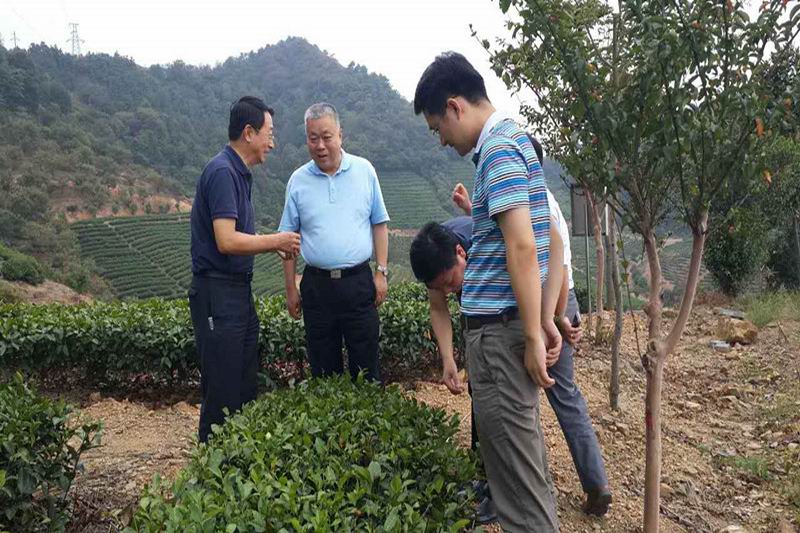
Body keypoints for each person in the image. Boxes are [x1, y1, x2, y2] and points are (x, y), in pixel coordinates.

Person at [414, 51, 559, 531]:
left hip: (499, 335)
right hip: (507, 328)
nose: (441, 139)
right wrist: (540, 321)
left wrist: (535, 333)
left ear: (454, 107)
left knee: (516, 486)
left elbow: (523, 246)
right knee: (525, 471)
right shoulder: (516, 141)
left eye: (437, 127)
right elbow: (543, 238)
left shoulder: (497, 150)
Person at [437, 143, 613, 516]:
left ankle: (521, 492)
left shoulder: (531, 203)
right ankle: (595, 482)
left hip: (546, 304)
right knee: (562, 396)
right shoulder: (534, 198)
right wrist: (470, 209)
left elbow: (557, 267)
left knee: (521, 404)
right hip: (549, 305)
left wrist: (552, 320)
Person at [189, 96, 301, 443]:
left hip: (237, 291)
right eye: (269, 133)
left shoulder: (238, 173)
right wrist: (275, 240)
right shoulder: (223, 172)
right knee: (222, 389)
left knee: (242, 382)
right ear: (249, 132)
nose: (272, 143)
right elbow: (226, 240)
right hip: (218, 292)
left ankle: (235, 459)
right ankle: (211, 461)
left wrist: (272, 244)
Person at [279, 102, 389, 382]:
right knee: (323, 370)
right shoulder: (298, 181)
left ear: (340, 135)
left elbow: (379, 223)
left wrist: (381, 271)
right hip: (317, 287)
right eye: (313, 138)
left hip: (358, 283)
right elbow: (288, 241)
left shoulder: (364, 171)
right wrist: (290, 288)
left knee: (366, 369)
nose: (320, 145)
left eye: (326, 137)